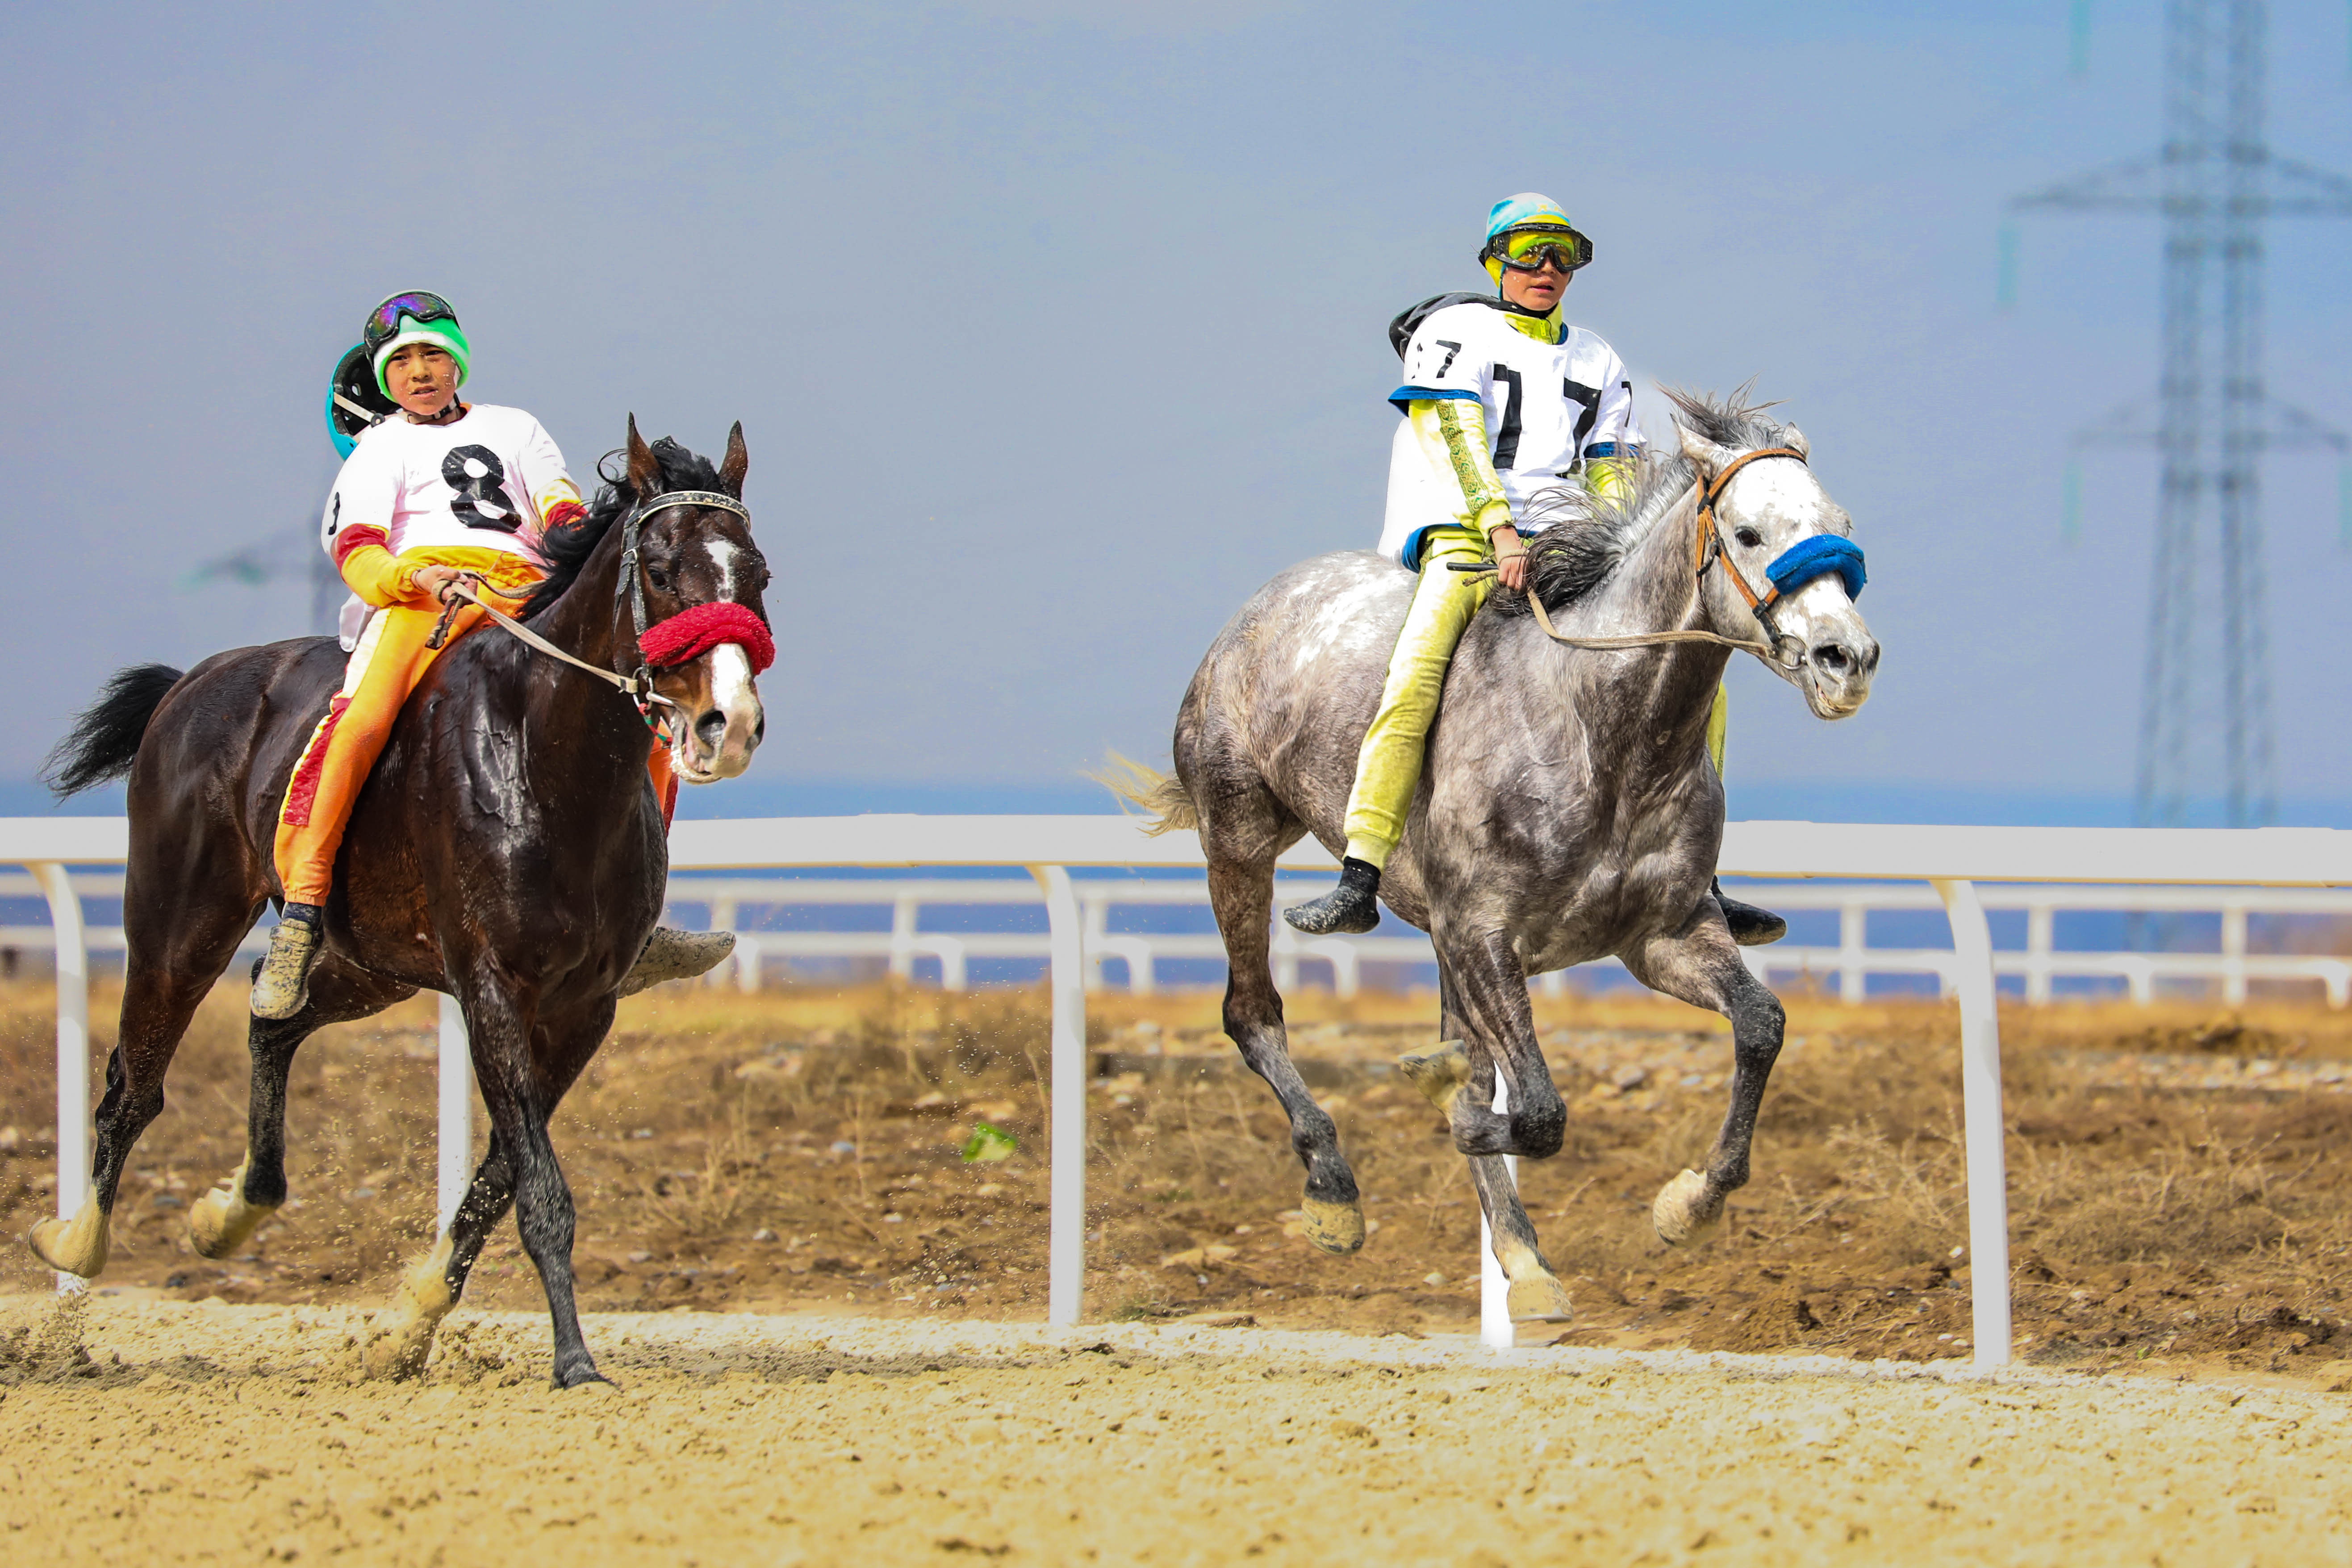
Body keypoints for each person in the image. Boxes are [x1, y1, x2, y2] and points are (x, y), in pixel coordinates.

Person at [1285, 196, 1784, 945]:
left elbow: (1612, 468)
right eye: (1528, 251)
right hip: (1469, 536)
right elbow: (1457, 438)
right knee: (1416, 673)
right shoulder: (1454, 334)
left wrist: (1613, 551)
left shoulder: (1598, 357)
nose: (1546, 268)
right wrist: (1499, 530)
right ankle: (1361, 870)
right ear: (1494, 261)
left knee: (1697, 673)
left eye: (1564, 254)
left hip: (1567, 547)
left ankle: (1699, 876)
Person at [251, 292, 731, 1018]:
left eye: (433, 356)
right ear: (386, 379)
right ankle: (303, 915)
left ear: (457, 362)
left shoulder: (517, 428)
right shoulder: (381, 447)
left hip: (525, 594)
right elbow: (358, 550)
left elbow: (562, 513)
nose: (420, 372)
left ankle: (638, 922)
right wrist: (417, 576)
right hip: (423, 601)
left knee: (644, 721)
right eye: (403, 361)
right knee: (361, 723)